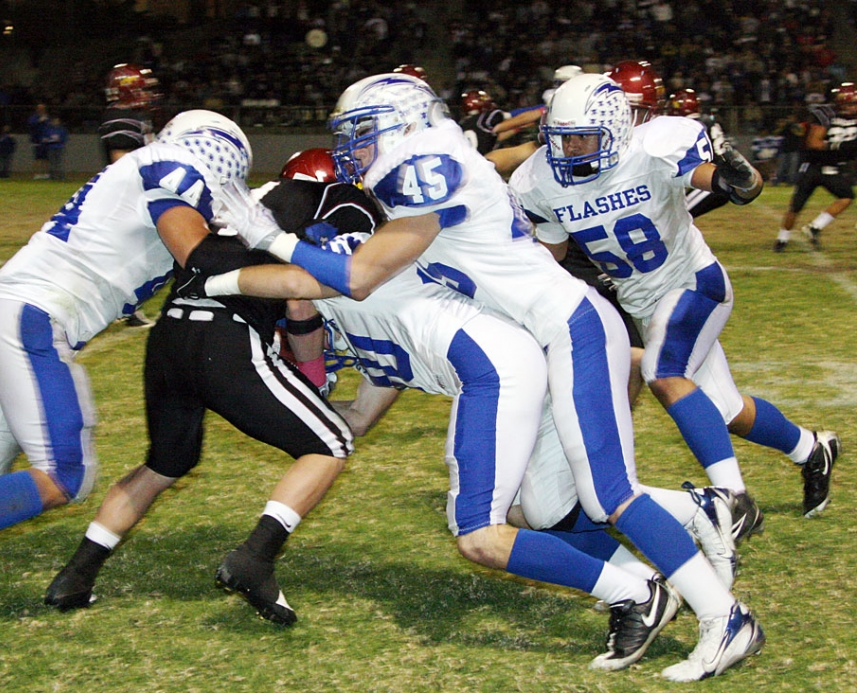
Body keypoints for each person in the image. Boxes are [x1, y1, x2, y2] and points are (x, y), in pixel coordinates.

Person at [210, 73, 763, 682]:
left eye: (362, 132)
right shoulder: (428, 166)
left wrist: (271, 239)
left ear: (406, 125)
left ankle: (725, 619)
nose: (353, 146)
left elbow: (358, 276)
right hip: (545, 335)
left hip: (568, 326)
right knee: (555, 507)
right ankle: (696, 518)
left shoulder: (426, 164)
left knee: (609, 493)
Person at [0, 110, 249, 623]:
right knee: (66, 473)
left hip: (2, 312)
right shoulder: (175, 165)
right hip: (33, 318)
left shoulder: (147, 168)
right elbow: (196, 253)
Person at [43, 147, 360, 627]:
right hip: (225, 338)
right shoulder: (328, 204)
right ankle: (255, 558)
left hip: (169, 337)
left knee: (164, 464)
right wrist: (314, 377)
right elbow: (299, 301)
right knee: (331, 442)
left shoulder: (244, 204)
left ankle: (76, 575)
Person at [509, 74, 840, 534]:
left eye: (583, 138)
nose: (571, 151)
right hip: (645, 304)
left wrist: (736, 179)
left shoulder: (652, 147)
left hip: (693, 282)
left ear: (616, 130)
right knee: (720, 410)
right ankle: (811, 448)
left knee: (662, 374)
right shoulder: (541, 180)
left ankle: (734, 501)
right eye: (562, 140)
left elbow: (725, 181)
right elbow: (554, 253)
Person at [100, 63, 162, 327]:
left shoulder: (133, 116)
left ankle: (126, 308)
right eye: (141, 89)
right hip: (128, 196)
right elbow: (121, 165)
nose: (147, 94)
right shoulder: (118, 119)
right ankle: (126, 309)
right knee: (134, 255)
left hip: (136, 195)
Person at [774, 82, 857, 252]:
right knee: (796, 206)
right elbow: (814, 143)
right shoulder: (826, 114)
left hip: (832, 168)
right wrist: (839, 147)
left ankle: (814, 227)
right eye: (850, 104)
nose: (853, 108)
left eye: (854, 104)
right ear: (841, 103)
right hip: (812, 166)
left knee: (847, 196)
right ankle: (781, 240)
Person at [664, 87, 735, 218]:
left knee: (677, 217)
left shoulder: (685, 126)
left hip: (712, 181)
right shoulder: (708, 122)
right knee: (679, 217)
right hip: (720, 177)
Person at [27, 103, 50, 180]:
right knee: (37, 158)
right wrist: (39, 120)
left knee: (46, 158)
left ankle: (46, 174)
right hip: (36, 140)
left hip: (45, 140)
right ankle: (37, 174)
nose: (41, 110)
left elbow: (49, 127)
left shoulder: (46, 117)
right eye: (39, 109)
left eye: (42, 109)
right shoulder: (34, 117)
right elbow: (31, 124)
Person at [42, 116, 68, 181]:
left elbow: (65, 138)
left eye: (57, 121)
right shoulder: (48, 130)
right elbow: (44, 137)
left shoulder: (62, 130)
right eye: (54, 121)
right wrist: (46, 140)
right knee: (52, 162)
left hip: (59, 147)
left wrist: (59, 140)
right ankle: (52, 176)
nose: (56, 122)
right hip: (51, 147)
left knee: (59, 162)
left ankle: (61, 176)